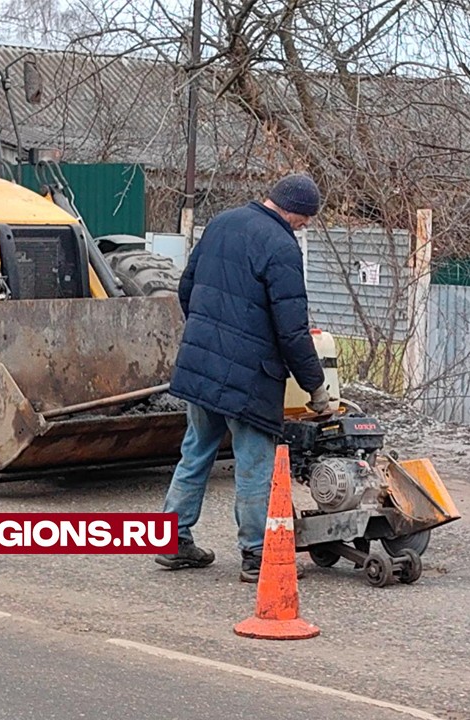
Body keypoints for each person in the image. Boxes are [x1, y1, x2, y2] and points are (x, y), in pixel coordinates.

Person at [155, 173, 332, 583]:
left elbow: (187, 288)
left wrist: (209, 333)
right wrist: (314, 385)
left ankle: (172, 540)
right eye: (306, 218)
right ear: (294, 210)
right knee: (255, 463)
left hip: (201, 365)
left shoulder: (221, 223)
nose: (305, 225)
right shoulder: (282, 246)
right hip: (250, 375)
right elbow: (291, 329)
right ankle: (257, 554)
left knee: (196, 451)